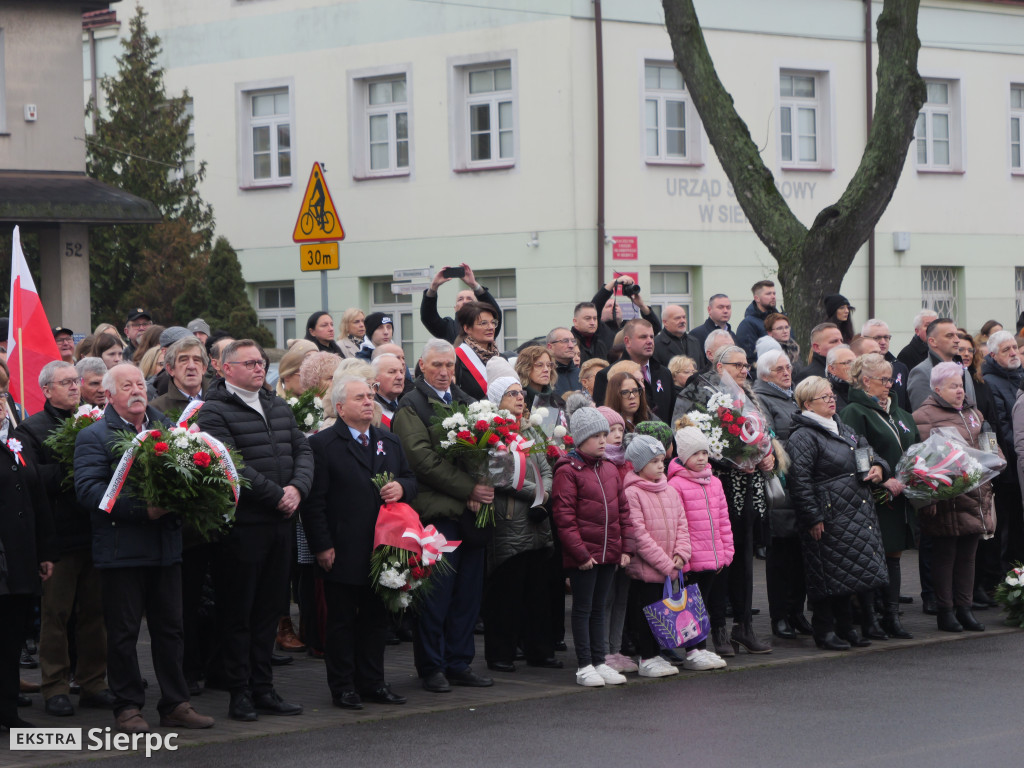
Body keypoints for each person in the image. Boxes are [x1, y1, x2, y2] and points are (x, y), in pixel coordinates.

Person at [74, 364, 214, 733]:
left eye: (140, 383)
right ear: (109, 395)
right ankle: (128, 707)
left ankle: (175, 703)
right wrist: (144, 510)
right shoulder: (94, 436)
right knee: (122, 634)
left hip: (166, 547)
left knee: (171, 629)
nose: (137, 390)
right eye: (127, 385)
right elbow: (89, 492)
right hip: (121, 550)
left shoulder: (169, 429)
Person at [197, 341, 313, 722]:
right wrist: (276, 494)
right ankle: (239, 692)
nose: (259, 368)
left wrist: (298, 488)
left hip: (281, 525)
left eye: (261, 362)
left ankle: (264, 688)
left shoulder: (277, 405)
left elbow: (303, 451)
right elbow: (229, 462)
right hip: (244, 528)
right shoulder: (213, 411)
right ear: (225, 370)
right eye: (249, 363)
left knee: (268, 612)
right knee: (238, 614)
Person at [300, 375, 417, 709]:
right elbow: (314, 502)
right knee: (341, 623)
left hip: (382, 549)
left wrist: (402, 489)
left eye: (370, 396)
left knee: (375, 620)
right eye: (360, 397)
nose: (369, 401)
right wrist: (321, 545)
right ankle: (343, 687)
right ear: (340, 407)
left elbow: (410, 479)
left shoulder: (388, 441)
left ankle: (373, 682)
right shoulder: (322, 445)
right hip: (342, 547)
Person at [390, 339, 495, 693]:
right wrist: (470, 490)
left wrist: (485, 482)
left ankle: (459, 662)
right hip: (439, 515)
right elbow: (421, 460)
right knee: (436, 597)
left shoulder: (467, 402)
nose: (444, 372)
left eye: (449, 365)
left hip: (471, 515)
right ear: (421, 366)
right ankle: (432, 666)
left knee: (468, 596)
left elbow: (487, 451)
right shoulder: (412, 405)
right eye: (436, 365)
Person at [14, 362, 114, 718]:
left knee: (95, 613)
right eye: (66, 382)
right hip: (59, 537)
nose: (74, 387)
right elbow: (32, 478)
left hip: (94, 531)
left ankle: (93, 683)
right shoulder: (32, 429)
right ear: (47, 390)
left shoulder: (97, 421)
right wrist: (77, 466)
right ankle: (54, 686)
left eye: (77, 381)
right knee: (55, 616)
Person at [786, 376, 889, 651]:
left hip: (854, 512)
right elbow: (799, 481)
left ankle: (845, 628)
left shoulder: (842, 427)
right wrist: (812, 517)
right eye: (824, 397)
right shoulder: (803, 436)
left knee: (847, 573)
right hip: (829, 514)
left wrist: (879, 467)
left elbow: (869, 452)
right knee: (825, 574)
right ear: (807, 404)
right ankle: (824, 630)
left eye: (831, 395)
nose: (832, 400)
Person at [550, 407, 633, 688]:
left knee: (599, 608)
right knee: (583, 609)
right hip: (585, 557)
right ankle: (584, 664)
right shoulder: (568, 470)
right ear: (580, 438)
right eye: (596, 435)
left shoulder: (609, 469)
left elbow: (623, 511)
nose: (603, 440)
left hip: (609, 553)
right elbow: (564, 517)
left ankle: (600, 660)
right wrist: (580, 554)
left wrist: (625, 549)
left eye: (604, 434)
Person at [913, 363, 999, 632]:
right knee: (946, 556)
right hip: (948, 498)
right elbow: (925, 461)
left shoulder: (973, 413)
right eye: (953, 386)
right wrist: (931, 498)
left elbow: (988, 444)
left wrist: (996, 461)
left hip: (975, 494)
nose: (960, 391)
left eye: (961, 385)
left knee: (968, 556)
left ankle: (965, 608)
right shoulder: (924, 416)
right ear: (937, 388)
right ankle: (945, 610)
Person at [840, 353, 919, 640]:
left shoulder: (901, 413)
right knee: (872, 557)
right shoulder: (854, 413)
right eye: (884, 380)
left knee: (894, 555)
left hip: (900, 496)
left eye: (890, 379)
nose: (891, 385)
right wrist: (884, 481)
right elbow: (856, 454)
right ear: (865, 381)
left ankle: (892, 616)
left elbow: (916, 450)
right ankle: (871, 618)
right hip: (874, 496)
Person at [482, 376, 557, 673]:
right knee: (507, 593)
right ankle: (500, 653)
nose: (519, 398)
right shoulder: (491, 431)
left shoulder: (533, 430)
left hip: (537, 520)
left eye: (520, 393)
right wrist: (539, 496)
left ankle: (539, 650)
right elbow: (501, 476)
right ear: (497, 401)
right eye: (511, 394)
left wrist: (545, 494)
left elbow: (547, 467)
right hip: (510, 519)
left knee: (537, 592)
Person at [704, 345, 775, 656]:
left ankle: (743, 627)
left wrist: (767, 455)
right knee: (722, 560)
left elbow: (764, 432)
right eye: (737, 365)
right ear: (721, 367)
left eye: (747, 365)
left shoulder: (751, 396)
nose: (744, 370)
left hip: (749, 485)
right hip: (721, 485)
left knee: (745, 559)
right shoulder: (708, 397)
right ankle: (718, 628)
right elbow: (703, 441)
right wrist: (734, 459)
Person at [0, 389, 56, 730]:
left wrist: (46, 551)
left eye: (0, 397)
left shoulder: (14, 443)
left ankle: (8, 712)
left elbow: (37, 500)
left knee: (11, 638)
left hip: (19, 559)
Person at [751, 350, 812, 641]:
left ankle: (797, 612)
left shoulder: (792, 396)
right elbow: (770, 438)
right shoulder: (761, 398)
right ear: (765, 375)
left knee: (800, 555)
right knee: (781, 558)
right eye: (779, 369)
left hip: (802, 484)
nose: (786, 372)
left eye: (788, 367)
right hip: (782, 485)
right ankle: (780, 617)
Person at [667, 425, 735, 667]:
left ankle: (701, 648)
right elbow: (676, 525)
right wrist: (681, 558)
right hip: (691, 560)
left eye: (705, 453)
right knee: (691, 606)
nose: (701, 458)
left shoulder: (714, 482)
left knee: (704, 604)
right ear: (684, 456)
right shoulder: (676, 485)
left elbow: (723, 520)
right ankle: (693, 651)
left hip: (713, 557)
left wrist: (726, 552)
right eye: (695, 454)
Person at [623, 435, 691, 677]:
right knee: (645, 614)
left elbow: (683, 524)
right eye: (653, 461)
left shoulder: (669, 489)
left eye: (662, 460)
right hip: (647, 569)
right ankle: (646, 657)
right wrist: (665, 563)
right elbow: (638, 535)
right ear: (639, 465)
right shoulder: (632, 493)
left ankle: (657, 654)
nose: (661, 465)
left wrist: (681, 554)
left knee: (661, 614)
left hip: (669, 567)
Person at [979, 330, 1024, 571]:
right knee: (1009, 521)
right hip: (1009, 466)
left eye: (1014, 347)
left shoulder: (1020, 375)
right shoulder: (991, 382)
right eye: (1006, 350)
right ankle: (1008, 573)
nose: (1013, 353)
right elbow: (1004, 425)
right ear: (993, 355)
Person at [592, 319, 673, 422]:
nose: (649, 341)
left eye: (652, 337)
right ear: (627, 341)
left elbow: (672, 415)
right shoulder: (607, 375)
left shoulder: (664, 373)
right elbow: (604, 417)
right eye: (643, 337)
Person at [420, 263, 502, 343]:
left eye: (469, 299)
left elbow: (495, 312)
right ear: (455, 308)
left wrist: (474, 285)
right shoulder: (448, 328)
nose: (465, 302)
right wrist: (433, 287)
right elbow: (428, 317)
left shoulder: (488, 325)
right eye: (460, 299)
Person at [907, 318, 977, 411]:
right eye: (949, 336)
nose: (957, 340)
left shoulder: (963, 370)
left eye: (956, 335)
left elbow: (973, 412)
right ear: (932, 341)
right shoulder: (922, 372)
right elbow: (924, 417)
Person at [861, 319, 911, 411]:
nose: (883, 342)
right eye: (877, 338)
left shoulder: (900, 367)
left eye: (886, 337)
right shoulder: (859, 368)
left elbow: (907, 404)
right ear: (864, 339)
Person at [150, 337, 208, 416]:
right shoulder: (155, 409)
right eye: (184, 360)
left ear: (204, 368)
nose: (191, 366)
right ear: (170, 369)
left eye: (196, 360)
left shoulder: (220, 399)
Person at [735, 280, 780, 362]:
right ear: (757, 298)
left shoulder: (780, 320)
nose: (773, 296)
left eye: (774, 293)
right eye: (768, 294)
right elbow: (749, 358)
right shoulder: (748, 325)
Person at [515, 345, 561, 409]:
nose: (546, 370)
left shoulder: (556, 401)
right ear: (525, 368)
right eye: (539, 365)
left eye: (548, 365)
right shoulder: (518, 399)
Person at [372, 353, 407, 428]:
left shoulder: (411, 404)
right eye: (392, 372)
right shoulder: (369, 409)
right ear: (374, 377)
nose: (400, 377)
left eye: (401, 372)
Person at [546, 328, 581, 397]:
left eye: (573, 341)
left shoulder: (581, 374)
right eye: (565, 341)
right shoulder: (545, 374)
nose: (571, 346)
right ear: (550, 347)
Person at [824, 345, 855, 411]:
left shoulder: (864, 388)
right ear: (832, 369)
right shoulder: (826, 395)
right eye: (848, 363)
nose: (854, 366)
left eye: (856, 362)